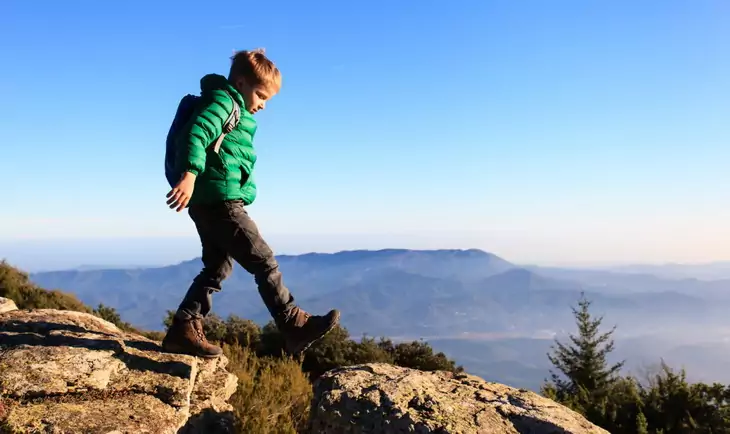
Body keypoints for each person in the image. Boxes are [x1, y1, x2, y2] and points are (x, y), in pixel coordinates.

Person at [161, 48, 340, 358]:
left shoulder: (233, 107)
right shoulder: (223, 102)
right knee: (264, 261)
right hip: (219, 201)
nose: (263, 105)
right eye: (260, 95)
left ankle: (184, 327)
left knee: (217, 266)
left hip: (209, 201)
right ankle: (293, 324)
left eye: (267, 99)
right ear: (241, 83)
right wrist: (190, 174)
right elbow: (197, 131)